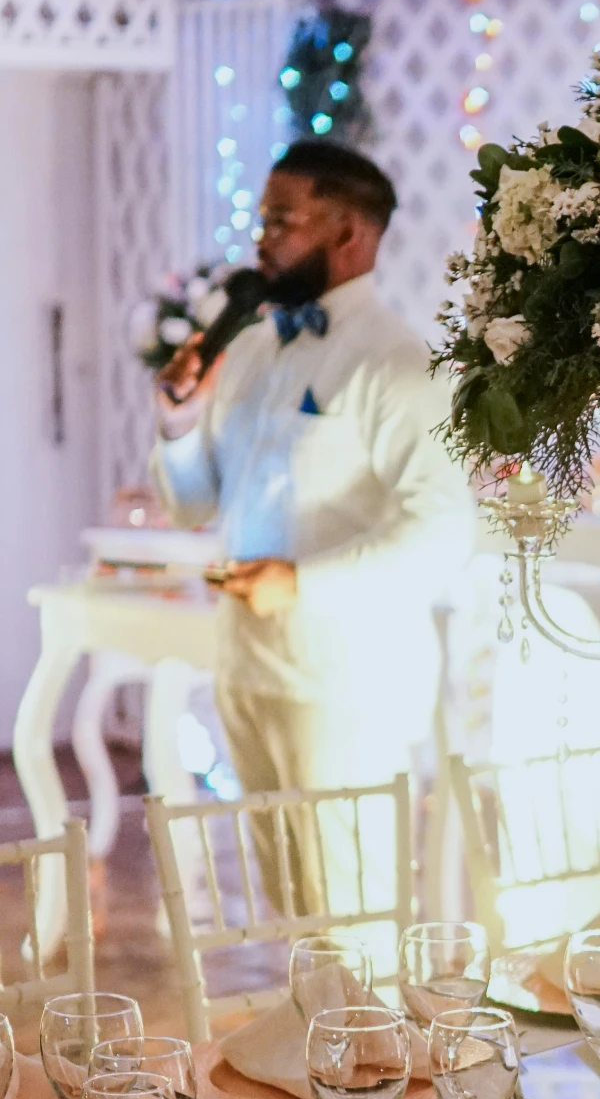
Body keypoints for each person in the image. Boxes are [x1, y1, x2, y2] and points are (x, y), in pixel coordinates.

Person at [152, 140, 474, 919]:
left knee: (351, 922)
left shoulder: (398, 364)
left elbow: (442, 531)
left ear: (347, 234)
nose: (262, 239)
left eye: (282, 220)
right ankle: (308, 1046)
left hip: (345, 683)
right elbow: (193, 504)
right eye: (262, 219)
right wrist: (178, 420)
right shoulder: (254, 349)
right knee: (292, 914)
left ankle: (369, 1046)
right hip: (248, 668)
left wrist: (299, 581)